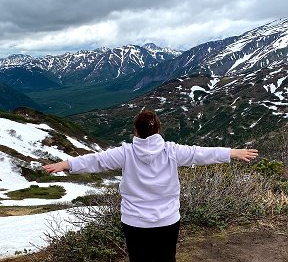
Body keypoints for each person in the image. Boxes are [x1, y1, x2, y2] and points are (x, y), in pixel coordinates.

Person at [43, 110, 258, 262]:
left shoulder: (125, 152)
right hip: (167, 219)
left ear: (136, 131)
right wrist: (232, 152)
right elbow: (200, 153)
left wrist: (67, 164)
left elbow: (96, 160)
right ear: (158, 130)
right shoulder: (171, 150)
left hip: (135, 221)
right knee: (166, 258)